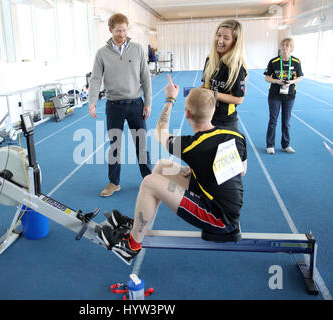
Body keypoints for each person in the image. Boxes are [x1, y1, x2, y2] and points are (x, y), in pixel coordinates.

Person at [98, 75, 248, 265]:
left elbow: (160, 132)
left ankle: (131, 247)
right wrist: (198, 170)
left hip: (219, 218)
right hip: (224, 202)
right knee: (162, 166)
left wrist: (170, 98)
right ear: (213, 110)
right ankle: (138, 225)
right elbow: (241, 170)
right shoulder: (235, 135)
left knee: (149, 182)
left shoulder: (193, 146)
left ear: (187, 113)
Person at [88, 13, 152, 197]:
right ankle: (113, 182)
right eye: (118, 30)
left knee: (141, 144)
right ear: (110, 30)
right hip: (114, 106)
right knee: (114, 145)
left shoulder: (138, 49)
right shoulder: (102, 53)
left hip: (135, 104)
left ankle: (148, 180)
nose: (122, 34)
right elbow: (95, 79)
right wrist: (92, 102)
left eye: (124, 30)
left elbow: (145, 77)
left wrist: (148, 103)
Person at [201, 19, 248, 130]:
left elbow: (238, 99)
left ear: (235, 42)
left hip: (226, 122)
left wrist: (213, 94)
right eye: (218, 35)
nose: (220, 40)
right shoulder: (210, 59)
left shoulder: (236, 67)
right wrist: (195, 94)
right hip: (207, 117)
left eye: (226, 38)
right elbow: (205, 85)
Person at [264, 37, 303, 154]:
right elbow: (266, 77)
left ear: (292, 48)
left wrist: (290, 82)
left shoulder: (296, 62)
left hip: (289, 96)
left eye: (287, 45)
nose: (285, 47)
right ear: (280, 47)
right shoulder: (273, 61)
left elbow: (300, 77)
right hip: (275, 95)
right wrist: (277, 81)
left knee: (286, 121)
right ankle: (270, 145)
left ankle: (286, 144)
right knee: (273, 120)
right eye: (283, 45)